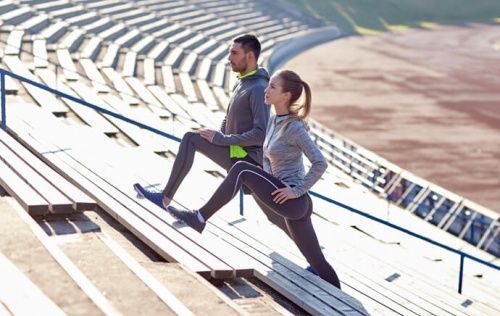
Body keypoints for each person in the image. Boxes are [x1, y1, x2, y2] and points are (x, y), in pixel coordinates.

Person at [167, 70, 341, 288]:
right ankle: (347, 306)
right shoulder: (273, 120)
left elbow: (320, 163)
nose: (266, 91)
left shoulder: (294, 127)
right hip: (287, 199)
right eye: (268, 86)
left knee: (242, 168)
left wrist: (296, 190)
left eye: (272, 87)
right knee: (319, 265)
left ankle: (199, 217)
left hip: (293, 200)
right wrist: (267, 172)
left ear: (286, 95)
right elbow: (268, 153)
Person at [134, 34, 270, 208]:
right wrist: (218, 135)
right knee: (193, 138)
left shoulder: (258, 88)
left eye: (234, 53)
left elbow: (261, 134)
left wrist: (222, 140)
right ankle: (167, 200)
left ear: (250, 56)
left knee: (191, 139)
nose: (229, 58)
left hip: (248, 160)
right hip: (234, 152)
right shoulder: (243, 82)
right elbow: (229, 118)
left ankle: (166, 199)